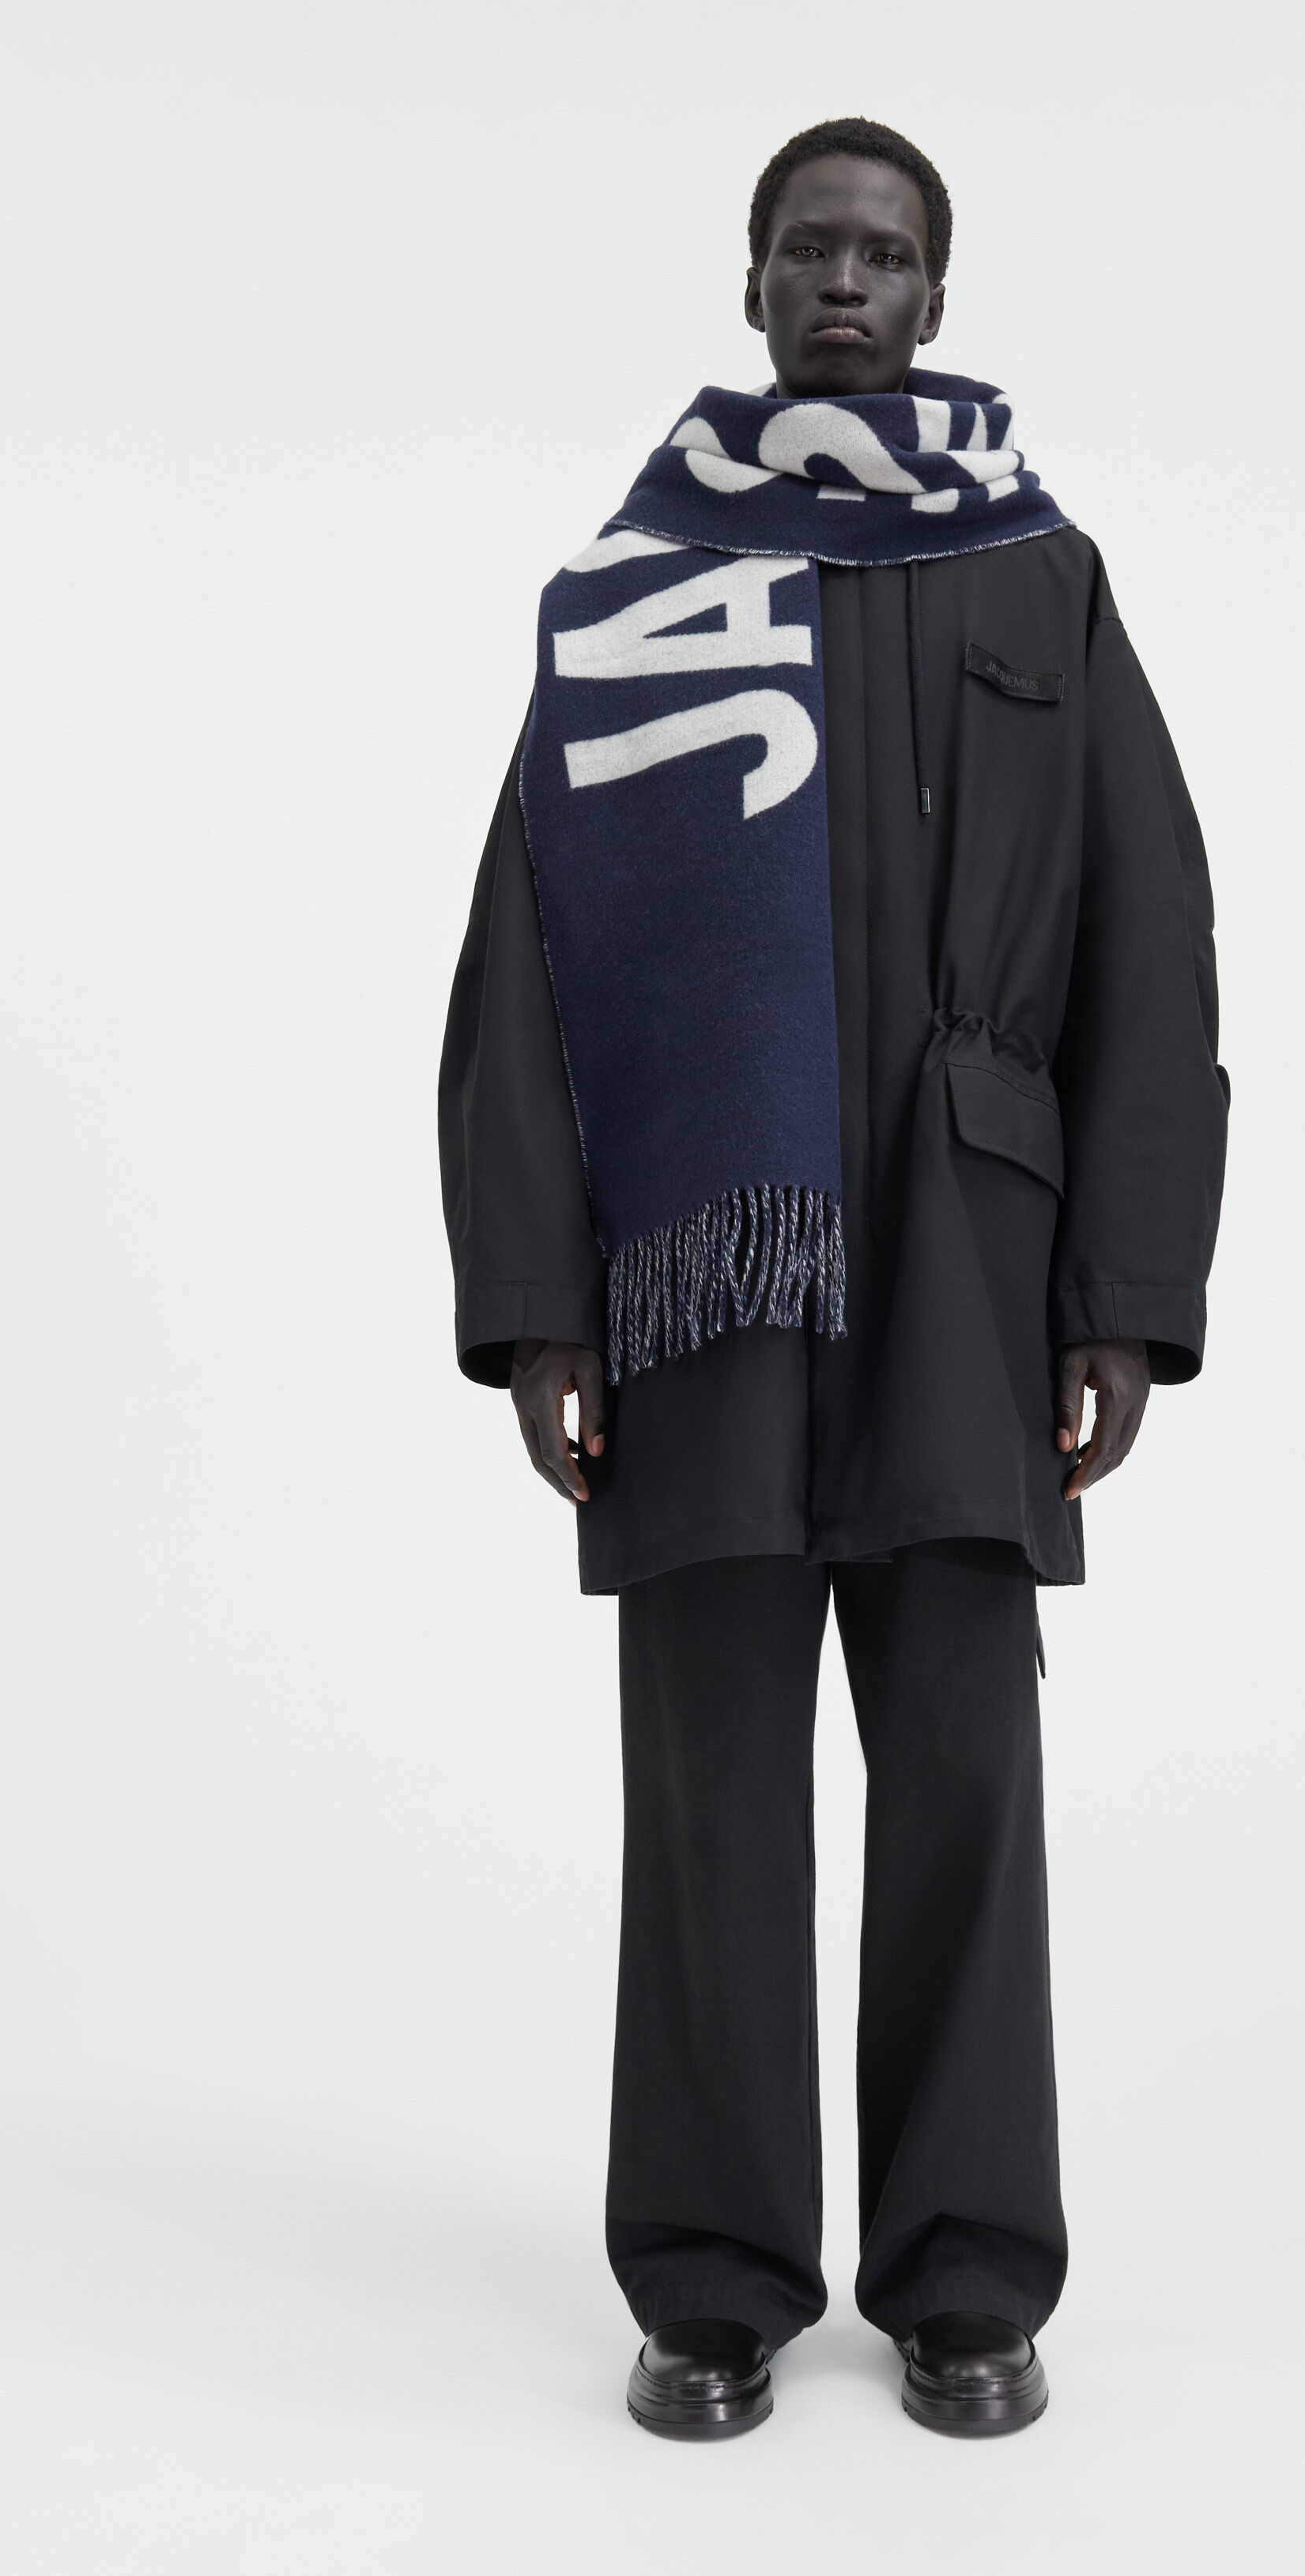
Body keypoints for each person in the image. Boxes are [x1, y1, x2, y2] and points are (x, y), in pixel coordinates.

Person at [439, 115, 1228, 2441]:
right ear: (755, 284)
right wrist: (546, 1302)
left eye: (887, 253)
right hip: (711, 1284)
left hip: (972, 1269)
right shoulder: (642, 600)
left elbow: (1153, 933)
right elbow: (520, 965)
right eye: (813, 249)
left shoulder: (1042, 577)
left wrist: (1122, 1293)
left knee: (967, 1773)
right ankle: (711, 2284)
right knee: (709, 1790)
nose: (850, 283)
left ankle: (969, 2278)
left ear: (939, 296)